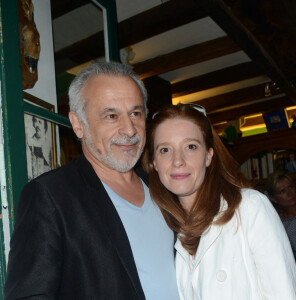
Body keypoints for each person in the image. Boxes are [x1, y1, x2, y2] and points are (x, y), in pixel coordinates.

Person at [4, 62, 180, 300]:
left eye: (135, 113)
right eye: (111, 115)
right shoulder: (50, 197)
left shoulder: (164, 189)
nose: (129, 129)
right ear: (78, 124)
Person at [143, 103, 296, 299]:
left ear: (209, 156)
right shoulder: (166, 229)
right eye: (165, 150)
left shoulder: (250, 207)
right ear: (154, 163)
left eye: (191, 146)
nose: (177, 160)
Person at [266, 170, 296, 282]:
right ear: (273, 199)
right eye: (282, 191)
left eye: (291, 187)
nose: (290, 194)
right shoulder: (276, 224)